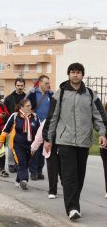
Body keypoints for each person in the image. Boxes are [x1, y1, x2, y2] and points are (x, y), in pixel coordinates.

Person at [43, 62, 107, 221]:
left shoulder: (91, 94)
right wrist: (48, 138)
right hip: (65, 141)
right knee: (70, 175)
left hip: (84, 142)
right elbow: (52, 118)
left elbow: (99, 117)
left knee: (79, 175)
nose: (75, 75)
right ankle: (72, 208)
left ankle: (73, 203)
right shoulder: (60, 93)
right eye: (72, 72)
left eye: (78, 72)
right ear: (69, 74)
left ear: (82, 75)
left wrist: (103, 133)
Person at [0, 99, 41, 190]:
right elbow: (6, 129)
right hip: (17, 145)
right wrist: (1, 141)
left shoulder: (35, 117)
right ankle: (24, 180)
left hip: (31, 145)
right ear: (21, 107)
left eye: (30, 105)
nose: (30, 107)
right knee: (21, 162)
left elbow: (40, 131)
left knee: (26, 163)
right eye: (27, 106)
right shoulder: (15, 116)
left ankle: (18, 180)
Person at [26, 75, 53, 181]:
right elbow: (24, 106)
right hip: (35, 125)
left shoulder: (51, 94)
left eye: (48, 83)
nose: (48, 85)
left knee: (43, 150)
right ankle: (33, 172)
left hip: (46, 127)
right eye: (46, 83)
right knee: (34, 149)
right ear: (40, 83)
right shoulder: (32, 93)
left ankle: (39, 170)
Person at [31, 116, 59, 199]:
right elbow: (39, 135)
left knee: (66, 172)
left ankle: (68, 189)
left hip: (65, 149)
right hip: (50, 148)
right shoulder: (48, 120)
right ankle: (52, 191)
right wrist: (34, 147)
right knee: (52, 171)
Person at [4, 78, 26, 173]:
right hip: (12, 124)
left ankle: (19, 164)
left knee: (22, 146)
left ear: (24, 86)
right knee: (11, 145)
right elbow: (5, 112)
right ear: (15, 85)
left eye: (21, 85)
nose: (20, 87)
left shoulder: (27, 98)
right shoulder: (8, 98)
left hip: (24, 125)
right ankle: (11, 164)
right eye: (18, 85)